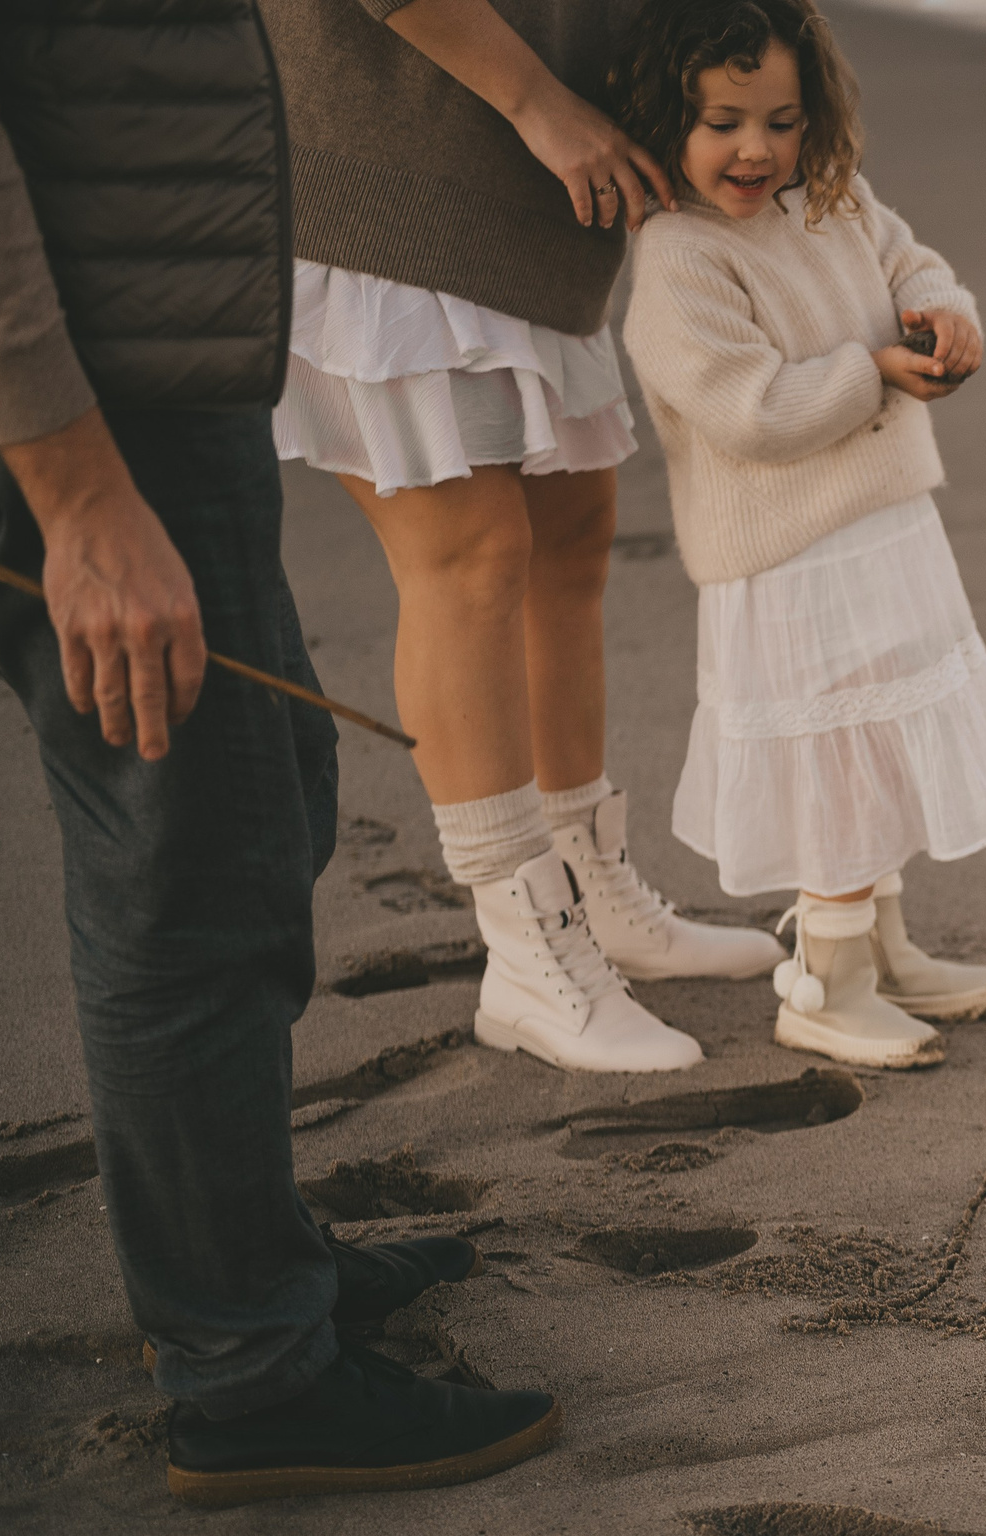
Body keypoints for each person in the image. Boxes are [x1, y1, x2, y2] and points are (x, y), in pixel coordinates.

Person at [0, 0, 557, 1504]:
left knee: (266, 803)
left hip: (168, 369)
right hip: (85, 414)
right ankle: (249, 1368)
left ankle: (250, 1257)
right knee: (187, 871)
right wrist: (75, 491)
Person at [258, 0, 786, 1074]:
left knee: (570, 531)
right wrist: (536, 99)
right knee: (470, 552)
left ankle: (590, 885)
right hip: (388, 167)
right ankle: (523, 942)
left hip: (542, 187)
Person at [612, 0, 986, 1069]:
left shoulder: (833, 202)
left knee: (883, 735)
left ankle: (882, 942)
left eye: (781, 120)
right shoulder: (679, 259)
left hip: (881, 521)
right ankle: (825, 976)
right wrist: (872, 374)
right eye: (722, 121)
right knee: (834, 746)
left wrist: (946, 314)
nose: (755, 149)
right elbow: (747, 410)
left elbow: (912, 263)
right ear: (667, 118)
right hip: (788, 553)